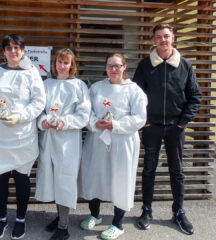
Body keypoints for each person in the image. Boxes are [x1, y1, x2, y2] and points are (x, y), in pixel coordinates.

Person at [133, 23, 201, 235]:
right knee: (149, 169)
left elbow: (195, 97)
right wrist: (144, 121)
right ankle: (146, 210)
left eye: (166, 36)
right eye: (159, 37)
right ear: (153, 40)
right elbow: (136, 96)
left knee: (177, 171)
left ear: (173, 38)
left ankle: (178, 211)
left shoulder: (185, 65)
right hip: (152, 127)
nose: (163, 40)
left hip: (175, 127)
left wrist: (182, 122)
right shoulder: (145, 65)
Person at [0, 34, 46, 240]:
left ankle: (20, 219)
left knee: (21, 179)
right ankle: (1, 219)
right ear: (3, 52)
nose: (13, 51)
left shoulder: (31, 73)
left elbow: (39, 102)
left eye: (17, 48)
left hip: (22, 135)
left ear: (23, 50)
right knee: (0, 179)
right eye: (9, 48)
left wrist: (20, 116)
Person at [79, 53, 147, 240]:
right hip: (98, 140)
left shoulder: (134, 90)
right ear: (106, 68)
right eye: (110, 66)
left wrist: (116, 125)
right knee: (95, 176)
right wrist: (95, 123)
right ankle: (94, 215)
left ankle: (117, 223)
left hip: (122, 141)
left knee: (121, 179)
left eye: (117, 66)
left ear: (124, 67)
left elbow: (140, 118)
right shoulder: (97, 88)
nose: (113, 69)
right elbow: (87, 111)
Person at [35, 48, 91, 240]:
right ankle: (60, 216)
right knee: (52, 178)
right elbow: (38, 108)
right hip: (49, 139)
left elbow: (84, 115)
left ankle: (64, 226)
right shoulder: (46, 84)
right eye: (59, 62)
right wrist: (42, 122)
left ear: (72, 65)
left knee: (65, 179)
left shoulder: (79, 86)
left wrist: (64, 122)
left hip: (68, 140)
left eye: (66, 62)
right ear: (54, 63)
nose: (62, 65)